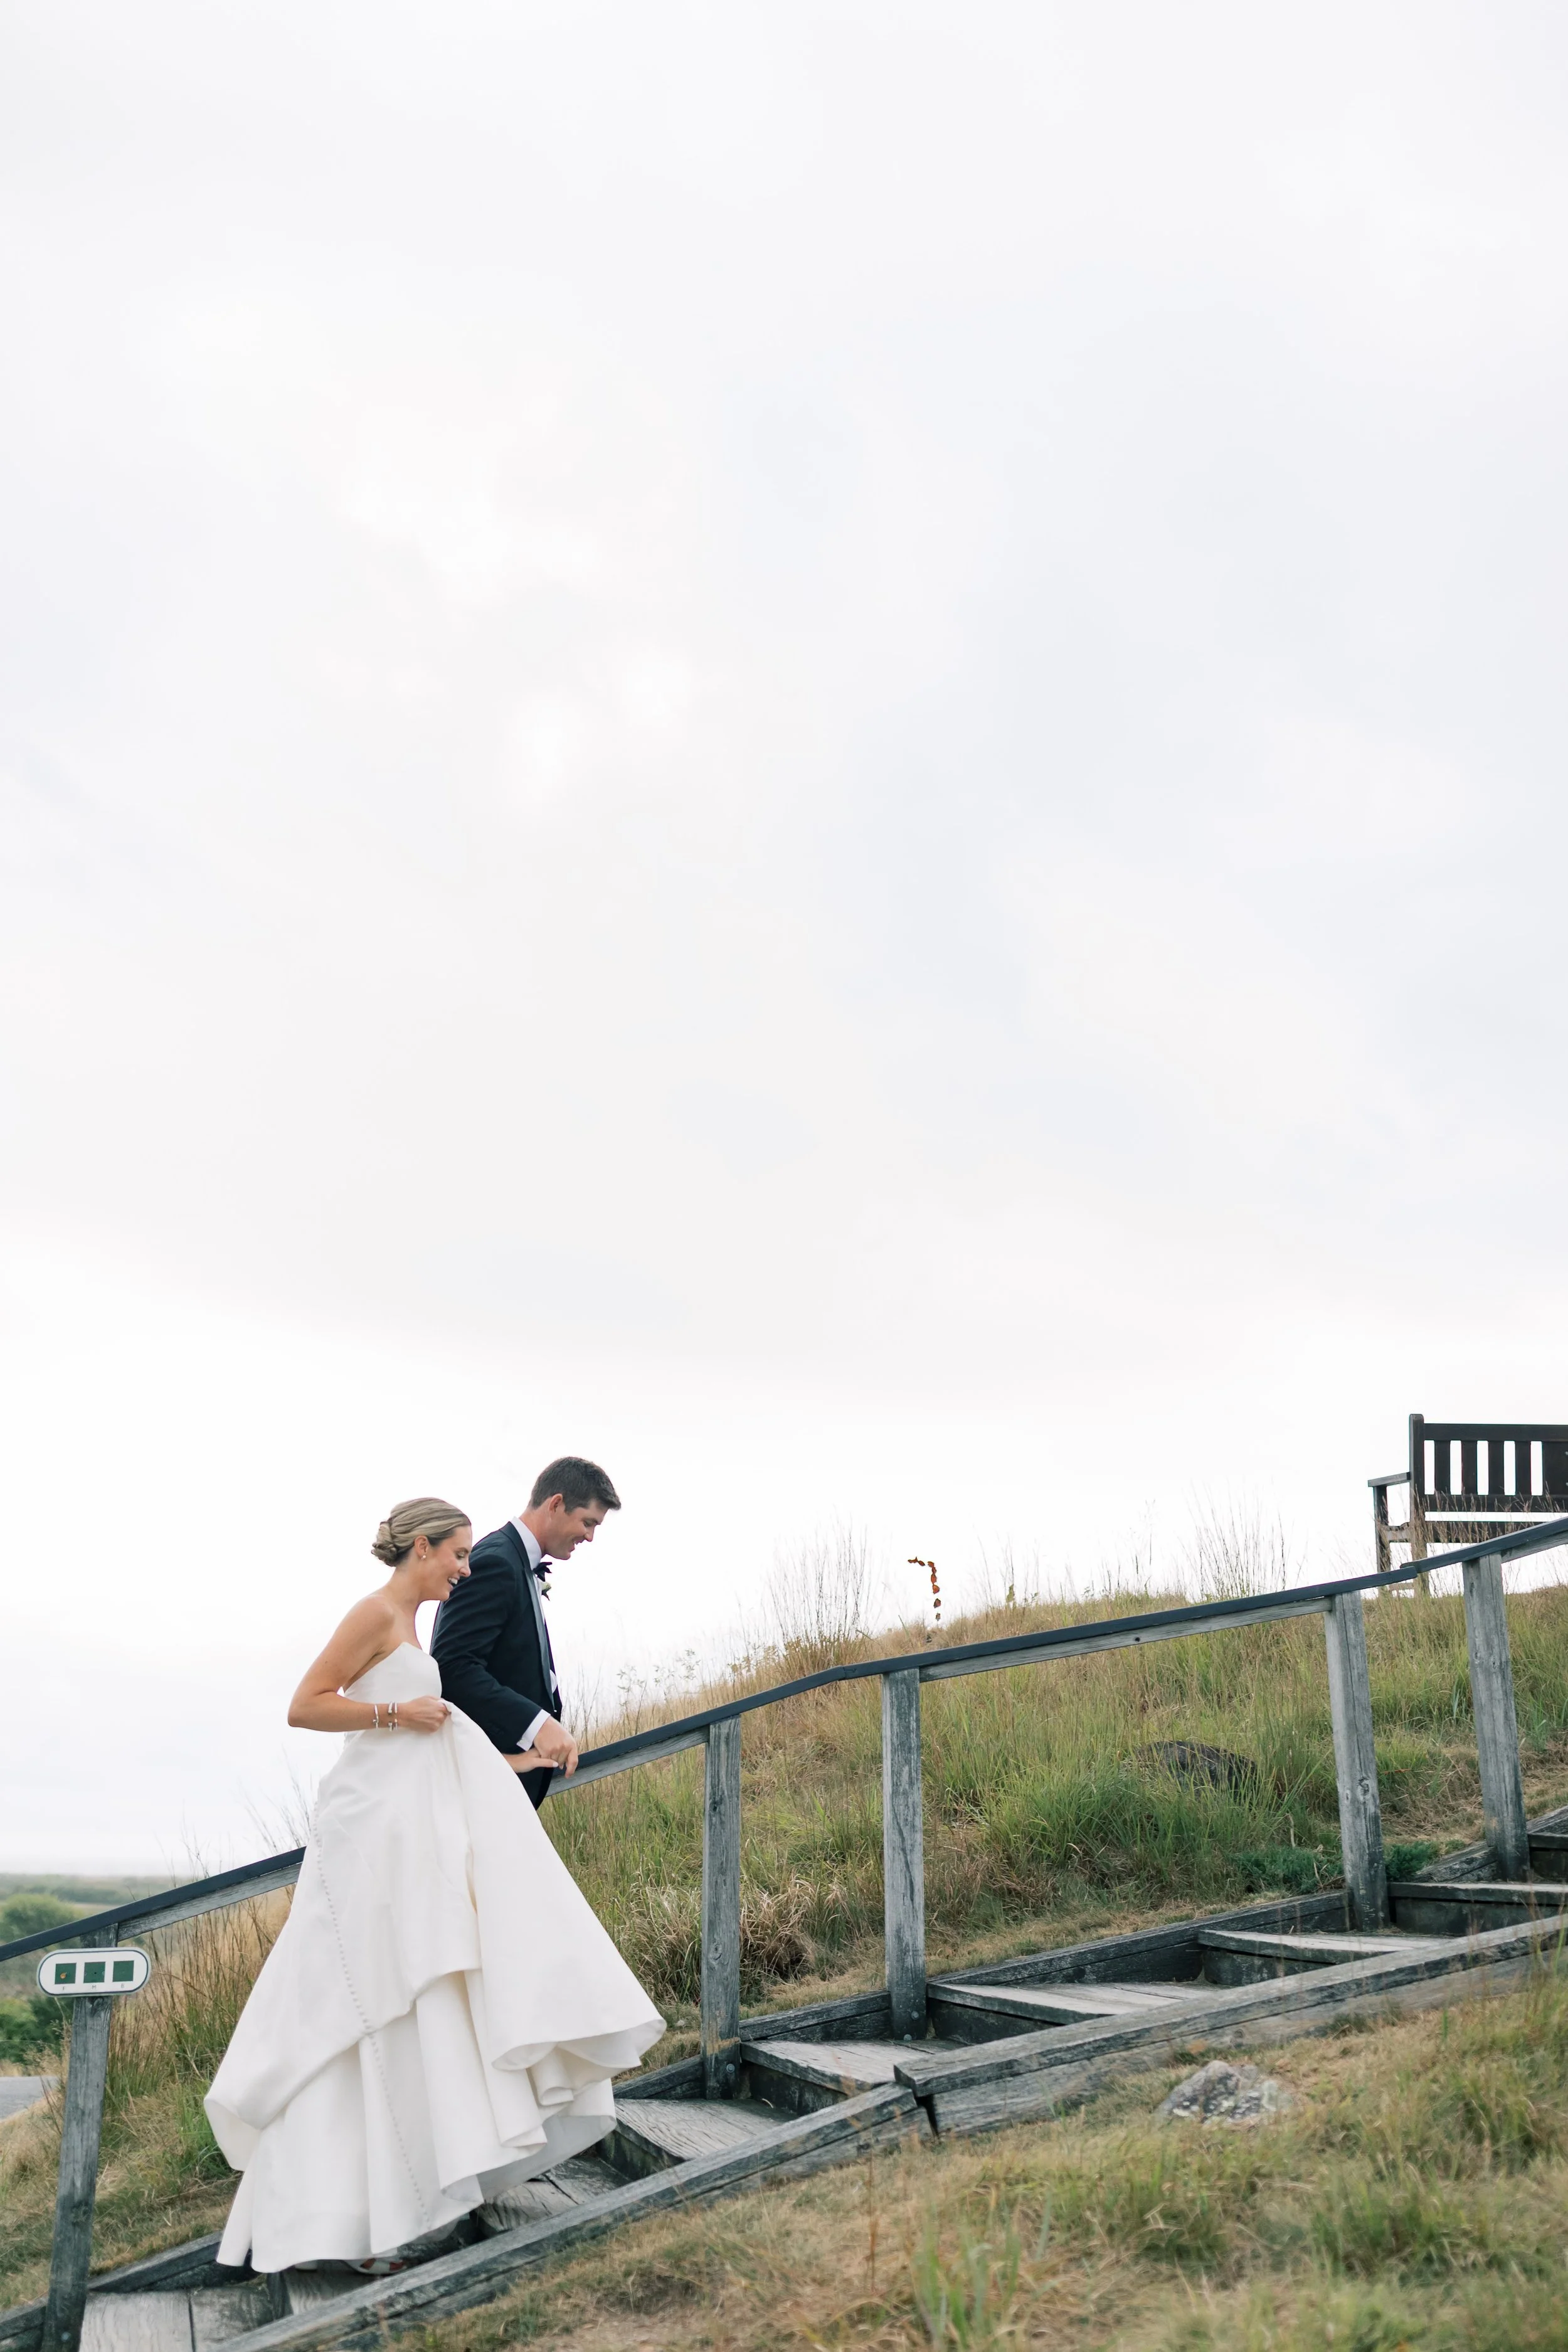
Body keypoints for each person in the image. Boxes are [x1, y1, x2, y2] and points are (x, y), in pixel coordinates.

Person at [205, 1497, 662, 2278]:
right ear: (420, 1548)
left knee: (416, 1998)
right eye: (456, 1554)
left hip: (404, 1827)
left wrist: (518, 1762)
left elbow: (435, 1741)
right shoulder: (375, 1613)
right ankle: (347, 2217)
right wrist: (394, 1711)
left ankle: (411, 2193)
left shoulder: (410, 1626)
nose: (464, 1567)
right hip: (367, 1831)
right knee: (364, 2002)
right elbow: (306, 1704)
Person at [432, 1458, 618, 1809]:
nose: (590, 1537)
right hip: (485, 1786)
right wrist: (538, 1725)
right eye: (588, 1522)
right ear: (556, 1504)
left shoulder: (515, 1561)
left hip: (508, 1786)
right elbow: (452, 1667)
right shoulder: (496, 1562)